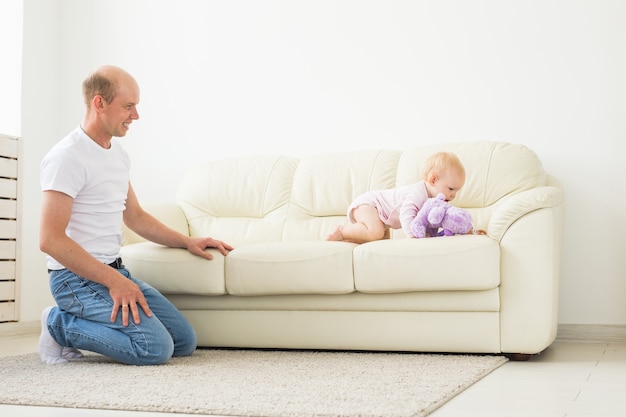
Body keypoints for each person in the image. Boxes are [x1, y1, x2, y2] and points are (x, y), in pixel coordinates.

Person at [38, 65, 233, 365]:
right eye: (128, 106)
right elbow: (50, 240)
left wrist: (186, 241)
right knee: (154, 348)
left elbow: (136, 217)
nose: (136, 116)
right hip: (73, 280)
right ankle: (58, 324)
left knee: (183, 341)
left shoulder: (118, 155)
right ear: (99, 103)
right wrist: (114, 283)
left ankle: (79, 319)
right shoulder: (67, 157)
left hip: (114, 271)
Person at [327, 151, 476, 243]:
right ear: (433, 180)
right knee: (376, 232)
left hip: (380, 215)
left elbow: (439, 221)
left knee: (379, 241)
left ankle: (352, 238)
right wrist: (412, 237)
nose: (453, 195)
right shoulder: (417, 193)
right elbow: (406, 214)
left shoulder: (435, 203)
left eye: (457, 191)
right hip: (370, 204)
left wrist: (468, 230)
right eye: (451, 189)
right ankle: (342, 231)